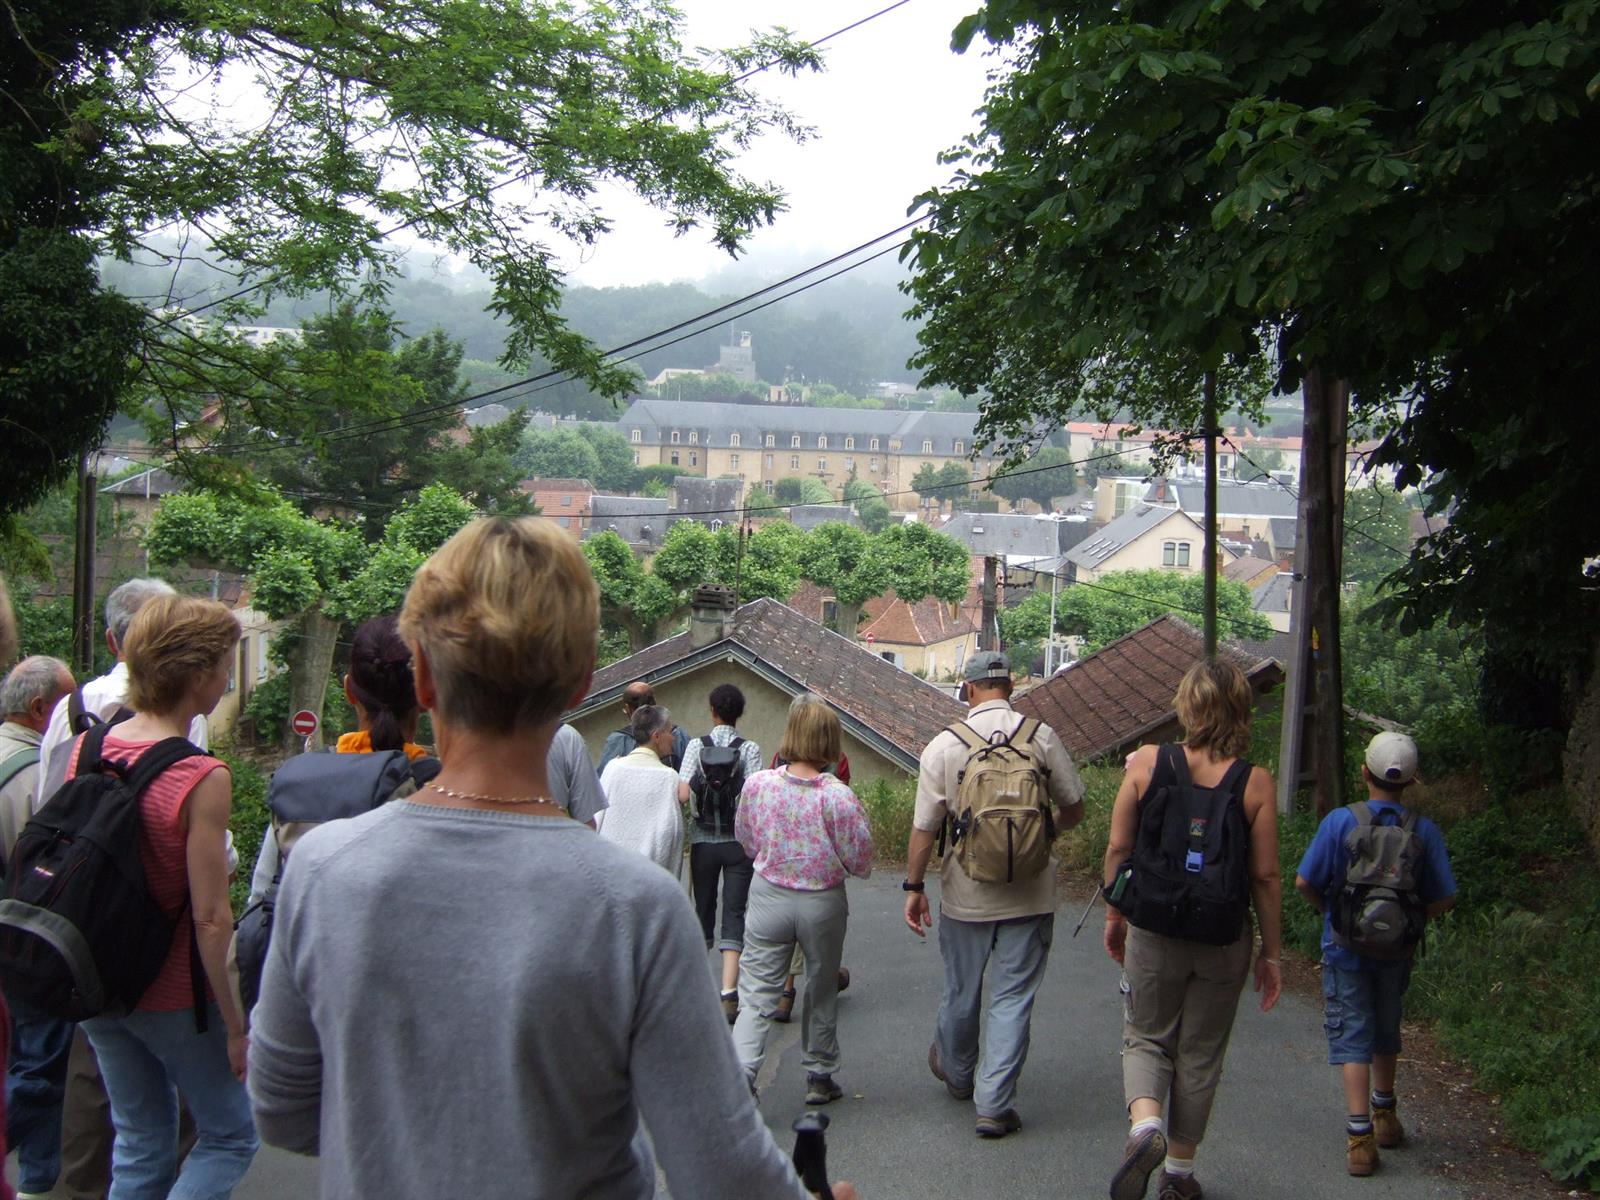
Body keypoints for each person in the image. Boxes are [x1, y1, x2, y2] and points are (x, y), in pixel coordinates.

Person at [247, 516, 857, 1199]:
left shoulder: (323, 871)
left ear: (422, 678)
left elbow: (283, 1108)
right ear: (579, 686)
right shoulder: (634, 907)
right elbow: (720, 1168)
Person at [68, 594, 258, 1200]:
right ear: (199, 674)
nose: (228, 679)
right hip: (173, 993)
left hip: (100, 980)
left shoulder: (91, 747)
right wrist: (235, 1025)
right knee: (231, 1136)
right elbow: (209, 917)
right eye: (227, 666)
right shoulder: (201, 776)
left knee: (140, 1141)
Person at [1102, 658, 1282, 1200]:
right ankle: (1178, 1174)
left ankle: (1145, 1127)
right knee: (1200, 1051)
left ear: (1187, 705)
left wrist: (1116, 914)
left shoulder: (1147, 764)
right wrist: (1271, 955)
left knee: (1145, 1035)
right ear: (1240, 711)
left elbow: (1118, 849)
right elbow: (1266, 874)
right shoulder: (1255, 783)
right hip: (1222, 937)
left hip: (1154, 927)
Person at [903, 650, 1085, 1139]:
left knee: (962, 990)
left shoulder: (944, 746)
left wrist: (914, 886)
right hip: (1031, 895)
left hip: (966, 895)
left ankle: (960, 1077)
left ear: (968, 689)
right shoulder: (1040, 737)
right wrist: (1041, 835)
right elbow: (1074, 808)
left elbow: (925, 829)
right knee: (1012, 998)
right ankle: (994, 1104)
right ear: (1011, 688)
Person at [1295, 731, 1457, 1178]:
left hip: (1345, 946)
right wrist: (1411, 919)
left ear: (1363, 772)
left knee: (1352, 1032)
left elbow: (1305, 882)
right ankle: (1385, 1115)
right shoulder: (1423, 831)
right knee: (1387, 1024)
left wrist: (1331, 912)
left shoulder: (1341, 823)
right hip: (1397, 951)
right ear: (1410, 781)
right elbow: (1445, 896)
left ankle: (1360, 1139)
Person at [732, 695, 873, 1106]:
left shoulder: (759, 785)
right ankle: (819, 1073)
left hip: (768, 895)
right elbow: (861, 859)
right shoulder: (837, 796)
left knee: (757, 990)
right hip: (821, 900)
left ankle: (742, 1071)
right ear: (832, 740)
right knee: (821, 984)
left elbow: (746, 839)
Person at [0, 655, 76, 1200]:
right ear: (39, 708)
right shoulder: (33, 773)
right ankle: (38, 1181)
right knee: (40, 1066)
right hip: (21, 942)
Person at [677, 683, 763, 1023]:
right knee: (735, 912)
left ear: (712, 711)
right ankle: (729, 993)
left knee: (703, 910)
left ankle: (697, 989)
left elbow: (683, 793)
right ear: (739, 714)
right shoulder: (750, 749)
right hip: (739, 845)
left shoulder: (697, 746)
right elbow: (753, 794)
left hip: (703, 841)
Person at [596, 705, 685, 876]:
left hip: (609, 870)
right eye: (669, 731)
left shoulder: (613, 767)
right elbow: (670, 832)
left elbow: (597, 817)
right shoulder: (668, 777)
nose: (673, 738)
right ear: (657, 736)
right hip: (648, 875)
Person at [598, 680, 687, 774]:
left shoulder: (618, 740)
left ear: (627, 708)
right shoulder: (677, 733)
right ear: (655, 703)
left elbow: (604, 776)